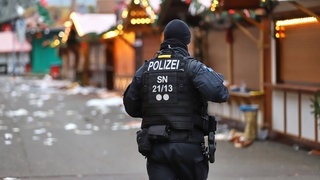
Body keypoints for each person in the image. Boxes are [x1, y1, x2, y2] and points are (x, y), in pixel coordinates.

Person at [123, 19, 229, 180]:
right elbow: (220, 93)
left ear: (165, 39)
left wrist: (155, 108)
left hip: (156, 147)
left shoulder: (146, 69)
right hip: (189, 149)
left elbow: (131, 106)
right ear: (187, 40)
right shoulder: (192, 67)